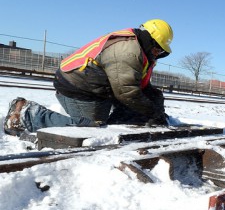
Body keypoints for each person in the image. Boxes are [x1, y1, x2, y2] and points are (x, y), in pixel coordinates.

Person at [3, 19, 173, 137]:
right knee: (92, 128)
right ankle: (28, 114)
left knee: (139, 106)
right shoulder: (128, 51)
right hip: (77, 86)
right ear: (149, 40)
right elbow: (126, 92)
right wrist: (152, 111)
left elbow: (139, 87)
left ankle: (118, 123)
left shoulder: (140, 50)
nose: (158, 53)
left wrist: (157, 107)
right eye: (158, 48)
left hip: (97, 87)